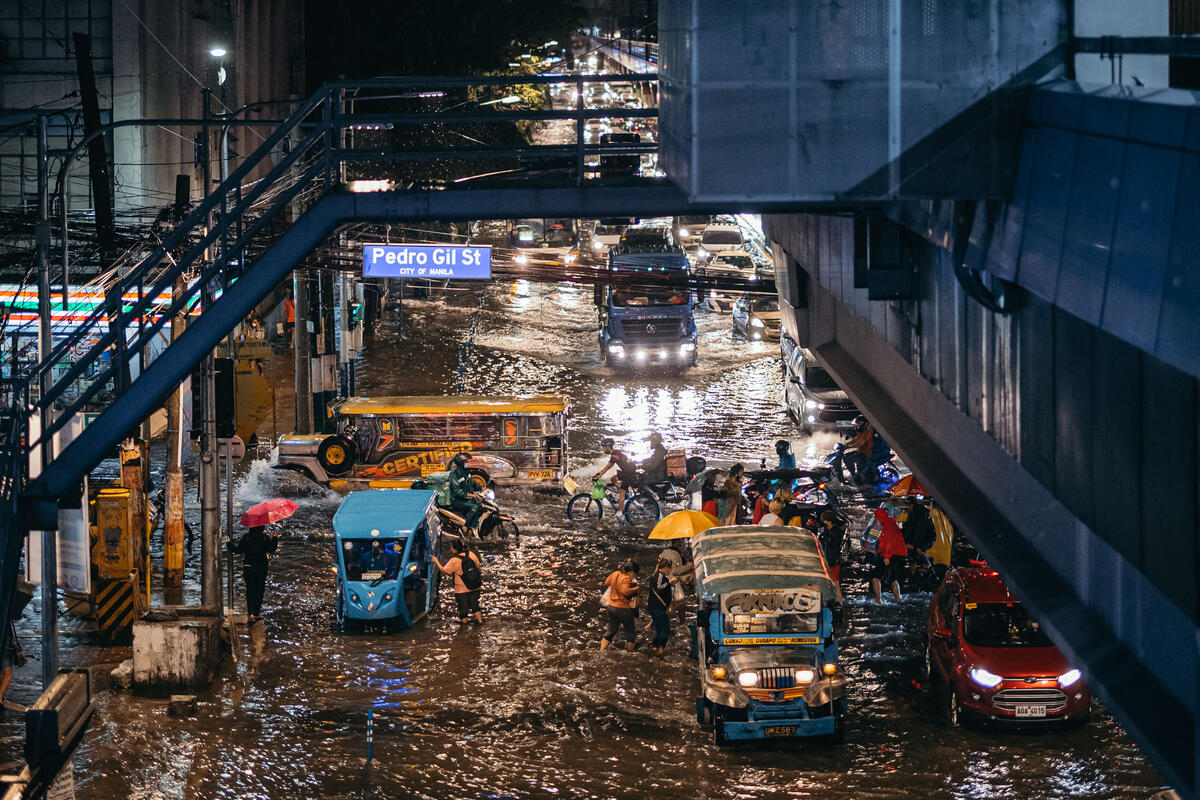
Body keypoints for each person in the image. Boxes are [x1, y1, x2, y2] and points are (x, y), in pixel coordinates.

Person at [228, 525, 279, 622]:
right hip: (261, 567)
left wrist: (229, 544)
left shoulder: (246, 537)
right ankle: (256, 613)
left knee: (250, 589)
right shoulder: (264, 538)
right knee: (259, 590)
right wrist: (275, 538)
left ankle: (250, 613)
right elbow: (272, 550)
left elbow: (238, 550)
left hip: (249, 567)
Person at [433, 540, 484, 624]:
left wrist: (436, 561)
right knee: (475, 606)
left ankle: (464, 629)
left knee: (463, 611)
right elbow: (478, 566)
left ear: (455, 549)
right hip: (475, 586)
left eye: (451, 547)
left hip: (461, 590)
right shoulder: (471, 554)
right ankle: (480, 622)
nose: (450, 549)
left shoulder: (454, 560)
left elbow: (444, 571)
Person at [600, 560, 640, 651]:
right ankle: (630, 653)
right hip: (623, 608)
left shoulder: (615, 573)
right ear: (632, 571)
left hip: (611, 607)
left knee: (611, 630)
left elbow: (606, 582)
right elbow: (625, 591)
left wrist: (616, 585)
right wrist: (636, 588)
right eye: (635, 573)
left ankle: (602, 650)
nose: (634, 575)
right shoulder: (626, 578)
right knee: (630, 631)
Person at [871, 507, 907, 604]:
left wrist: (887, 556)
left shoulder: (887, 527)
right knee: (892, 577)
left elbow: (890, 543)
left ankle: (878, 600)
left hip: (892, 554)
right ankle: (898, 599)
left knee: (877, 576)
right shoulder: (889, 523)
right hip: (897, 554)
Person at [594, 437, 640, 513]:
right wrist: (600, 473)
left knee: (622, 492)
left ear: (608, 447)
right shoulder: (615, 453)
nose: (603, 449)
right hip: (626, 471)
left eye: (603, 447)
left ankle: (619, 513)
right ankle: (626, 492)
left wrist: (599, 476)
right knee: (613, 479)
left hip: (629, 473)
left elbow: (608, 466)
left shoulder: (615, 454)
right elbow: (610, 465)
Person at [844, 416, 893, 486]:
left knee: (866, 464)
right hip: (862, 452)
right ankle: (854, 475)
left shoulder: (868, 432)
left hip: (868, 453)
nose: (857, 426)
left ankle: (874, 479)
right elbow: (855, 440)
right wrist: (845, 444)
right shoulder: (861, 432)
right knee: (847, 457)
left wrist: (848, 447)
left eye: (859, 424)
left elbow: (860, 443)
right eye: (857, 424)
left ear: (865, 424)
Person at [447, 452, 484, 536]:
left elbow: (473, 484)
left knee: (482, 505)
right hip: (458, 501)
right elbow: (456, 491)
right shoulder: (454, 474)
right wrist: (471, 495)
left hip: (467, 499)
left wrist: (482, 488)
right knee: (475, 507)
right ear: (461, 463)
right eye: (466, 461)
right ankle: (466, 527)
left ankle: (475, 526)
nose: (468, 463)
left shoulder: (467, 473)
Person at [646, 560, 676, 656]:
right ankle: (661, 648)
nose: (670, 571)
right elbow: (659, 588)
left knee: (658, 628)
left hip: (654, 607)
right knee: (665, 629)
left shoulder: (656, 575)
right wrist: (669, 583)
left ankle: (655, 646)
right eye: (669, 569)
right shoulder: (659, 576)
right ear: (666, 568)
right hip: (658, 607)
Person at [818, 509, 847, 603]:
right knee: (835, 583)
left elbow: (832, 549)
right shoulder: (833, 531)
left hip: (831, 561)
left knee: (835, 584)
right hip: (830, 561)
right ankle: (837, 602)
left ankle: (838, 602)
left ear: (827, 521)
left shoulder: (833, 533)